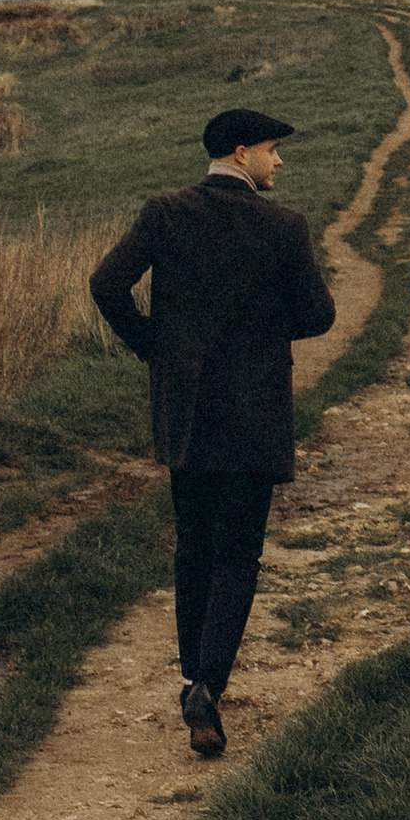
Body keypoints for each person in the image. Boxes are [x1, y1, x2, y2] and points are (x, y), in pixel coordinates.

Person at [90, 107, 335, 756]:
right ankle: (207, 686)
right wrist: (262, 326)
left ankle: (192, 674)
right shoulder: (283, 226)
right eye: (271, 149)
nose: (278, 160)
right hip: (253, 411)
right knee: (237, 556)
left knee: (193, 547)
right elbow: (318, 315)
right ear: (239, 151)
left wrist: (154, 345)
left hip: (187, 407)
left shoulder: (164, 212)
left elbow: (106, 282)